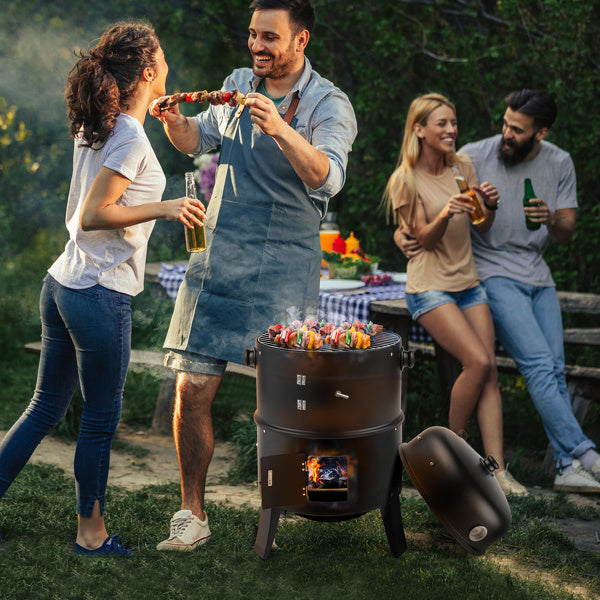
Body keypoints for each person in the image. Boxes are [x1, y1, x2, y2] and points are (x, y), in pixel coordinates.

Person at [148, 0, 357, 551]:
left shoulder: (328, 103)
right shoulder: (239, 82)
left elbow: (329, 178)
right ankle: (192, 513)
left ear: (301, 40)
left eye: (270, 37)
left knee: (285, 405)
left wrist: (281, 129)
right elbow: (200, 140)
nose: (257, 46)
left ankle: (282, 514)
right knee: (191, 390)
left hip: (285, 268)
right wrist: (175, 123)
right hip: (218, 258)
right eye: (252, 35)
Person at [0, 22, 206, 555]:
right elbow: (95, 213)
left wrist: (160, 127)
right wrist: (166, 207)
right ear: (147, 71)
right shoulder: (128, 134)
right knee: (99, 419)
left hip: (62, 282)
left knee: (45, 407)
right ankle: (91, 535)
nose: (167, 64)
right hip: (98, 290)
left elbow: (104, 194)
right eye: (160, 58)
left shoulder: (104, 123)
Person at [397, 89, 600, 494]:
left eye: (517, 130)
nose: (506, 134)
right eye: (505, 124)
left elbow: (563, 231)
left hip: (528, 276)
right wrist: (405, 233)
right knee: (532, 366)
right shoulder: (472, 155)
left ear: (539, 133)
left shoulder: (551, 162)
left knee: (546, 370)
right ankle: (586, 455)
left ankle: (557, 466)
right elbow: (419, 215)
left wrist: (544, 219)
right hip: (486, 274)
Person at [383, 93, 527, 497]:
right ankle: (453, 455)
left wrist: (490, 206)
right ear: (419, 130)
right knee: (477, 361)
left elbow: (480, 225)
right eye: (442, 124)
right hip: (429, 287)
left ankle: (497, 471)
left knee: (489, 372)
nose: (451, 130)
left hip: (468, 283)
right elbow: (423, 241)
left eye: (453, 122)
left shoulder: (462, 166)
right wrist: (447, 211)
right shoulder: (405, 180)